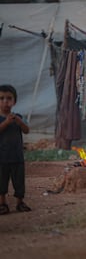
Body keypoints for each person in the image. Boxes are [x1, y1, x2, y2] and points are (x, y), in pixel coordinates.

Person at [0, 84, 31, 214]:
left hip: (17, 157)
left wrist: (18, 121)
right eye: (1, 98)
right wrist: (6, 122)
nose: (5, 102)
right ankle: (3, 204)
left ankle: (20, 202)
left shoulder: (18, 116)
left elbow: (27, 130)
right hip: (1, 158)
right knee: (1, 182)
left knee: (19, 181)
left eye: (9, 98)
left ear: (14, 101)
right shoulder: (1, 119)